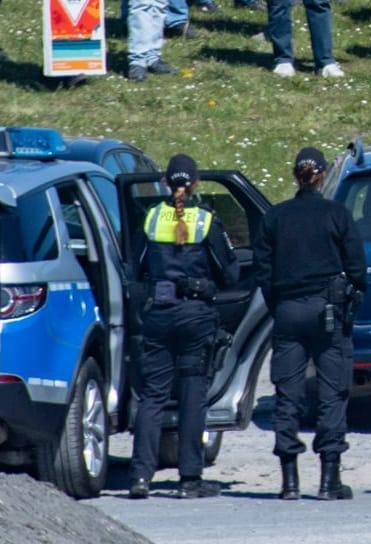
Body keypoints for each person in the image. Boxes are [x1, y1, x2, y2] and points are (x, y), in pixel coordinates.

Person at [254, 147, 367, 501]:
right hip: (328, 311)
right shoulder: (336, 214)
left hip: (288, 310)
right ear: (322, 176)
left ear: (295, 175)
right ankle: (328, 480)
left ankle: (289, 481)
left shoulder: (275, 217)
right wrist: (350, 297)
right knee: (332, 393)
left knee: (288, 394)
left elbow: (262, 270)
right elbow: (358, 268)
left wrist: (279, 305)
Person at [128, 154, 239, 500]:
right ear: (195, 184)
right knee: (193, 395)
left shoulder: (150, 218)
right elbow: (230, 273)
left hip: (158, 315)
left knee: (153, 397)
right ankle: (189, 479)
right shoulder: (206, 221)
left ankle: (141, 477)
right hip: (194, 317)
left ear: (165, 182)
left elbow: (136, 270)